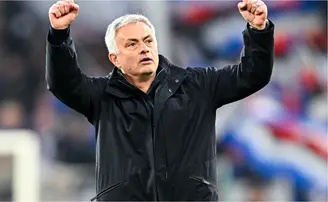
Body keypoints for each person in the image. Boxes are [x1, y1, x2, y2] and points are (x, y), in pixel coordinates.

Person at [46, 0, 274, 200]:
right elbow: (64, 83)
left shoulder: (197, 85)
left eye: (148, 41)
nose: (144, 49)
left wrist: (258, 31)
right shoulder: (102, 96)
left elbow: (251, 75)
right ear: (115, 58)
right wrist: (59, 35)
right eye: (132, 44)